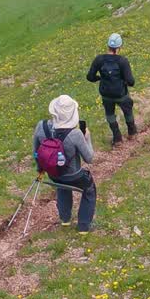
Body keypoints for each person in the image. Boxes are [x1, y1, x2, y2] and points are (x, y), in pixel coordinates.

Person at [32, 94, 97, 233]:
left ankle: (65, 220)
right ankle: (83, 227)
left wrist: (40, 170)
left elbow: (36, 152)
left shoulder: (41, 126)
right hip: (74, 176)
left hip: (53, 174)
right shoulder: (76, 134)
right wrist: (88, 139)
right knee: (89, 190)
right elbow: (89, 158)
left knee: (62, 186)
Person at [86, 33, 137, 145]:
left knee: (110, 115)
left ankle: (117, 138)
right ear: (119, 47)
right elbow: (131, 81)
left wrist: (100, 78)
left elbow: (90, 77)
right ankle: (132, 133)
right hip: (121, 94)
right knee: (128, 112)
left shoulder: (99, 59)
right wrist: (124, 81)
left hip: (106, 95)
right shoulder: (122, 61)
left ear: (108, 46)